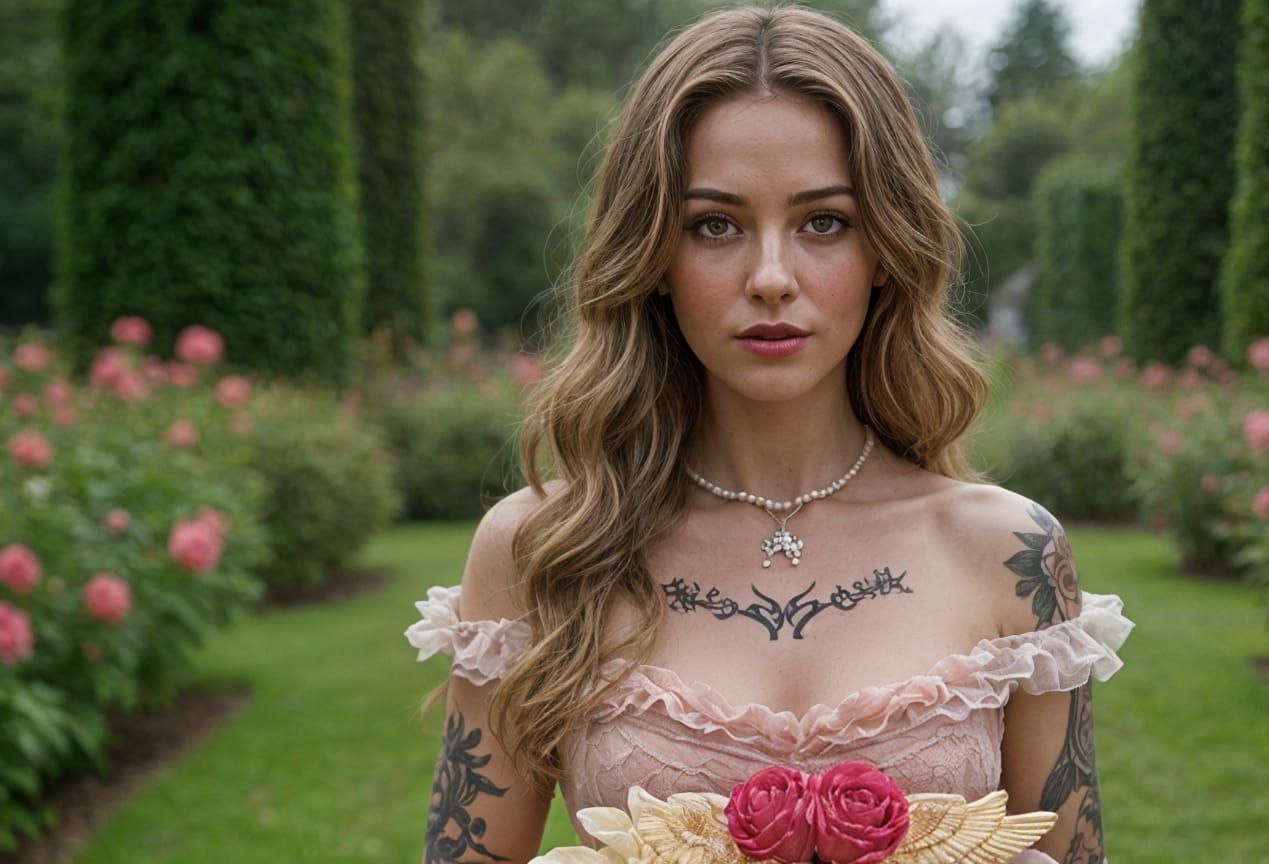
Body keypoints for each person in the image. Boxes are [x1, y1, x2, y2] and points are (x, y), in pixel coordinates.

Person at [405, 5, 1134, 863]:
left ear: (887, 250)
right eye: (715, 225)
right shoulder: (540, 548)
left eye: (824, 221)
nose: (772, 278)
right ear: (654, 260)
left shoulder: (1010, 553)